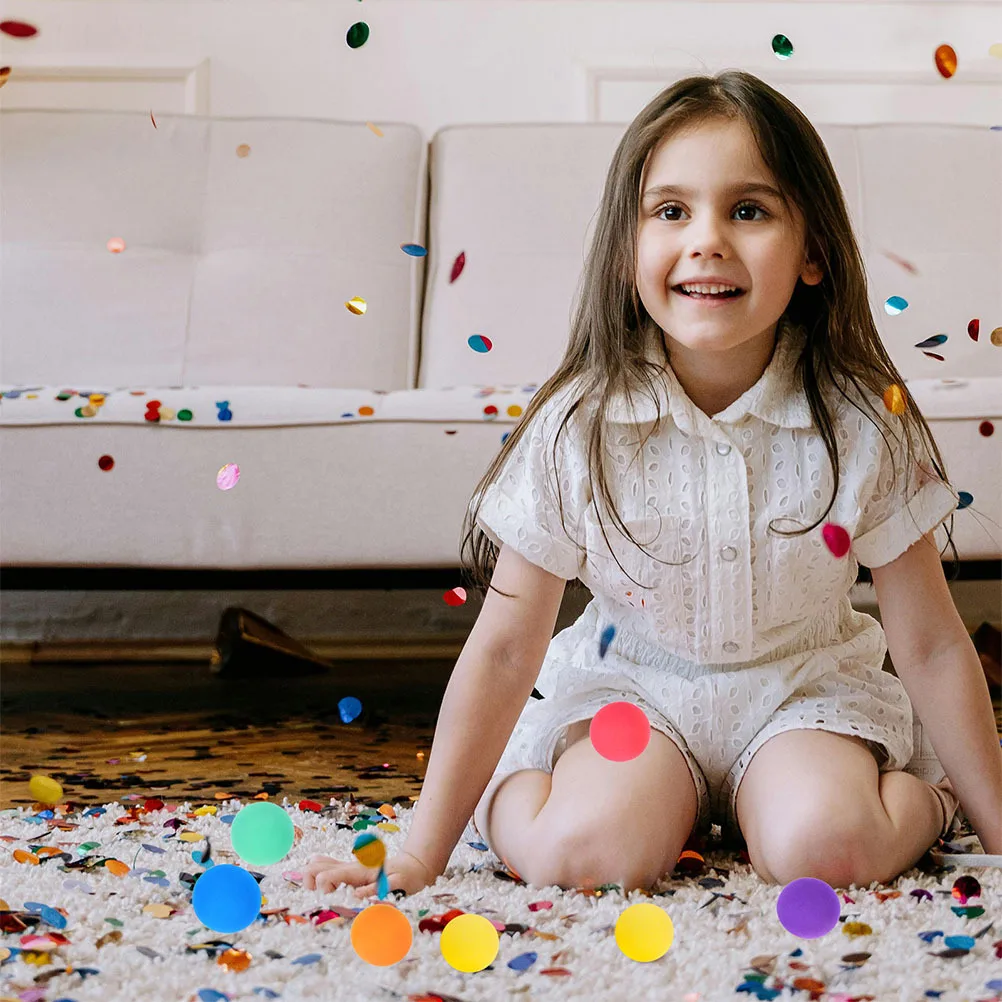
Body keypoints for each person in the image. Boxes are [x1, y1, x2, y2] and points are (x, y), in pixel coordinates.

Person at [306, 69, 1002, 898]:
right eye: (671, 211)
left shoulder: (860, 422)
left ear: (812, 252)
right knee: (585, 855)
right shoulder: (579, 423)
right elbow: (502, 647)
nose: (707, 239)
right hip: (632, 695)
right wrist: (421, 851)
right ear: (628, 247)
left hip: (804, 697)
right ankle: (521, 795)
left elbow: (927, 642)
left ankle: (930, 800)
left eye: (749, 210)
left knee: (830, 849)